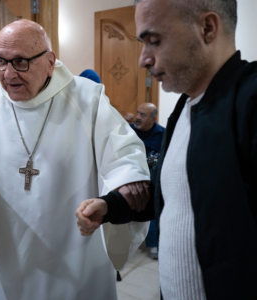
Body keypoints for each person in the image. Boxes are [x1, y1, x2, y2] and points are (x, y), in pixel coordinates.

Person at [0, 19, 151, 300]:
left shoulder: (87, 98)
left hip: (78, 244)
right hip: (14, 247)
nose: (8, 73)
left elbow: (123, 153)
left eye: (20, 61)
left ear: (50, 62)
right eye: (1, 61)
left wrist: (124, 185)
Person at [76, 0, 257, 299]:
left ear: (207, 28)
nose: (143, 60)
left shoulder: (249, 102)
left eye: (155, 41)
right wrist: (111, 206)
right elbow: (171, 195)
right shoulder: (184, 109)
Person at [131, 103, 164, 259]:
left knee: (154, 196)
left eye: (143, 115)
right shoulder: (127, 130)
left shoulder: (163, 134)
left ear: (152, 118)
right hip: (129, 176)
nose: (137, 117)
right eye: (138, 113)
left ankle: (153, 243)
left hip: (151, 178)